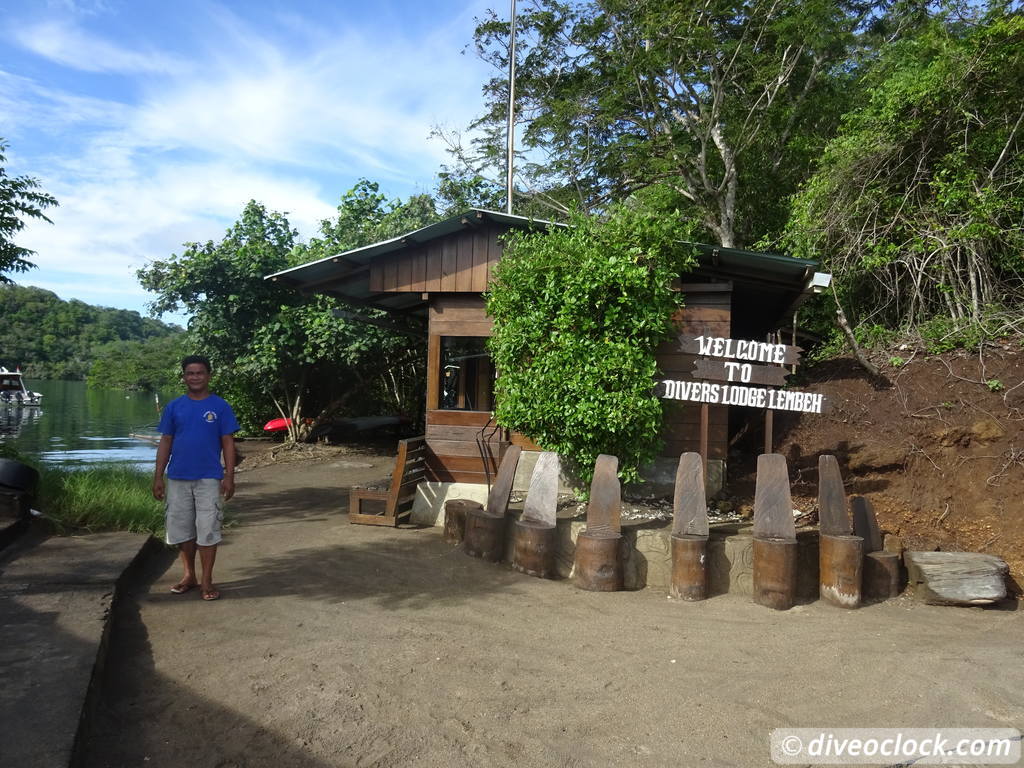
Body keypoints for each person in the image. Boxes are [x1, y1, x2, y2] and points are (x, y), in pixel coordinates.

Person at [152, 355, 240, 601]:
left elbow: (227, 442)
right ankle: (189, 575)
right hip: (178, 477)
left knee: (208, 529)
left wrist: (229, 476)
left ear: (208, 375)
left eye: (199, 373)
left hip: (209, 479)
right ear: (184, 377)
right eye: (190, 373)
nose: (195, 377)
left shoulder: (220, 406)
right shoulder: (174, 407)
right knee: (183, 530)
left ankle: (207, 580)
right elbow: (166, 441)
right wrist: (158, 476)